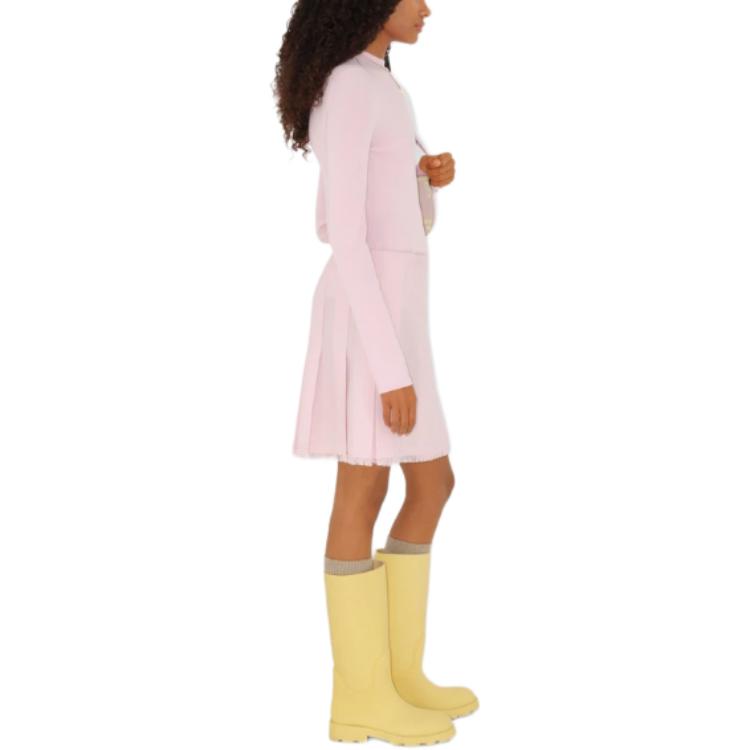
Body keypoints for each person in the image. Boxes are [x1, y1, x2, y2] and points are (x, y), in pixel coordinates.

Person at [273, 1, 478, 743]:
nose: (427, 8)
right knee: (363, 486)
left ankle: (397, 675)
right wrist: (389, 370)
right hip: (370, 317)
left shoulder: (380, 81)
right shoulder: (348, 85)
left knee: (432, 481)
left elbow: (401, 218)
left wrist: (425, 177)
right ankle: (359, 697)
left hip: (400, 312)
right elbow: (344, 232)